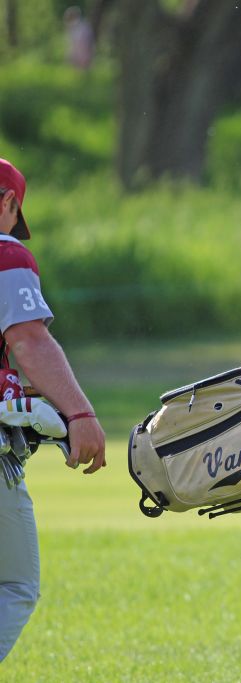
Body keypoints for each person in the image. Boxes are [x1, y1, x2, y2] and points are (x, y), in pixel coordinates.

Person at [0, 158, 106, 663]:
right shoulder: (6, 255)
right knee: (14, 584)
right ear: (9, 202)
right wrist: (79, 413)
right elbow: (28, 341)